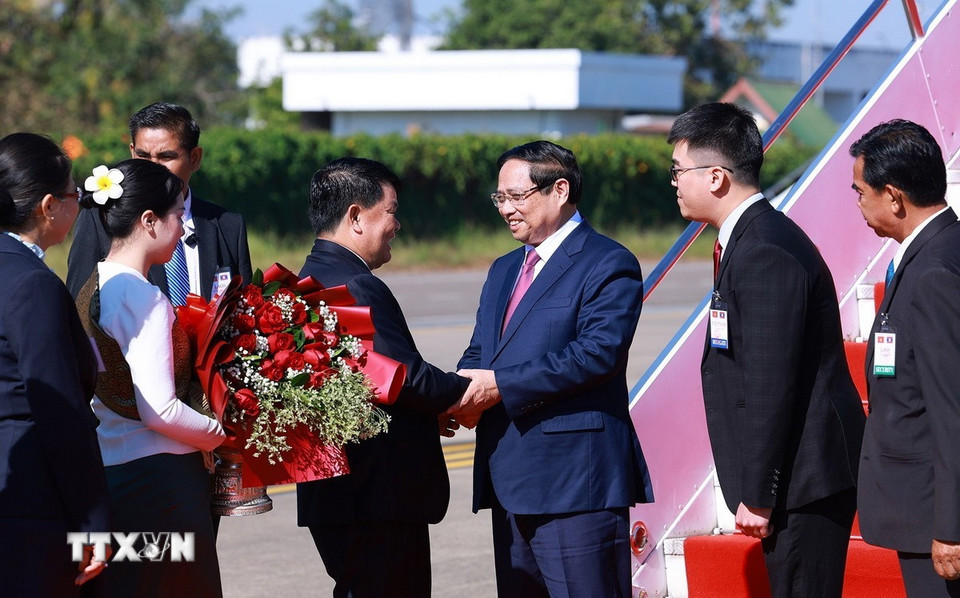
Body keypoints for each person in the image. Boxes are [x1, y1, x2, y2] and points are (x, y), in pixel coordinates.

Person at [667, 102, 865, 596]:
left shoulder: (763, 251)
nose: (673, 182)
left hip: (803, 482)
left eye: (678, 170)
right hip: (795, 479)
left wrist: (758, 493)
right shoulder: (748, 239)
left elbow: (770, 383)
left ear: (716, 177)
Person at [447, 140, 652, 597]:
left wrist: (498, 387)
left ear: (559, 190)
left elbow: (597, 354)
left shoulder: (607, 261)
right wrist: (457, 394)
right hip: (510, 479)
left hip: (576, 484)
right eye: (499, 198)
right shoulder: (503, 269)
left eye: (516, 196)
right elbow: (482, 351)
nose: (505, 209)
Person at [296, 157, 470, 597]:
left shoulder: (303, 281)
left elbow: (357, 385)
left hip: (336, 493)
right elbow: (403, 378)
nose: (397, 224)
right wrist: (472, 389)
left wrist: (424, 414)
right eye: (391, 211)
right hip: (375, 496)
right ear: (356, 216)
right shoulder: (354, 284)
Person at [75, 158, 225, 597]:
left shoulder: (96, 284)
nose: (182, 227)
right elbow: (159, 410)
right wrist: (219, 434)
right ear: (148, 220)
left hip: (114, 472)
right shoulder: (143, 297)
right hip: (159, 484)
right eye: (178, 216)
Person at [850, 119, 960, 597]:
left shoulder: (934, 271)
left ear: (894, 196)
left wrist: (951, 527)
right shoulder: (934, 252)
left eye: (860, 192)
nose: (858, 204)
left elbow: (951, 408)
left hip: (932, 514)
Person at [0, 133, 111, 595]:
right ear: (49, 206)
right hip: (28, 500)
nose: (78, 207)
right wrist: (92, 520)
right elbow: (59, 410)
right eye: (75, 196)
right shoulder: (32, 284)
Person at [67, 102, 251, 303]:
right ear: (132, 152)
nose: (153, 168)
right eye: (143, 155)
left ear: (195, 158)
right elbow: (78, 306)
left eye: (166, 157)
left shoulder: (227, 225)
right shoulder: (102, 217)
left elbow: (245, 312)